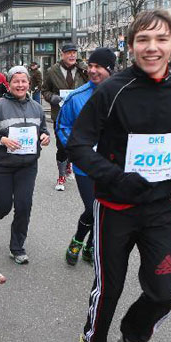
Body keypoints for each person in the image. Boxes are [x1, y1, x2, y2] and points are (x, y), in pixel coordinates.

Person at [66, 10, 171, 342]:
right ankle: (94, 340)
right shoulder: (112, 90)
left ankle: (133, 337)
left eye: (161, 40)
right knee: (110, 286)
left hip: (159, 206)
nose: (152, 47)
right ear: (130, 47)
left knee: (163, 293)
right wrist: (115, 177)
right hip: (114, 206)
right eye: (143, 39)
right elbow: (77, 144)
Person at [0, 66, 50, 265]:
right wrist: (1, 140)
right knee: (4, 205)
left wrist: (45, 136)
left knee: (24, 206)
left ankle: (17, 247)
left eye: (24, 81)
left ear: (29, 83)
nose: (20, 85)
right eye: (16, 81)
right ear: (9, 84)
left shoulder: (36, 107)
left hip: (27, 165)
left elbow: (43, 130)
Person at [57, 47, 117, 266]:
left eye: (98, 66)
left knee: (107, 209)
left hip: (112, 165)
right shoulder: (77, 97)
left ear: (110, 69)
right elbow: (63, 126)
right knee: (93, 207)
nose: (92, 70)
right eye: (90, 66)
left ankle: (93, 244)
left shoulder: (123, 94)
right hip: (86, 166)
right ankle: (78, 240)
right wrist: (76, 150)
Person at [43, 44, 88, 191]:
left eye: (74, 53)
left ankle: (70, 166)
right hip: (60, 114)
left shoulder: (83, 69)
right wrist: (53, 98)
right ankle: (61, 174)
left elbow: (92, 84)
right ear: (61, 54)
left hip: (79, 114)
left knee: (75, 144)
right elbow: (45, 90)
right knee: (62, 145)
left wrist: (83, 67)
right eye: (69, 53)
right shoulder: (52, 71)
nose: (72, 56)